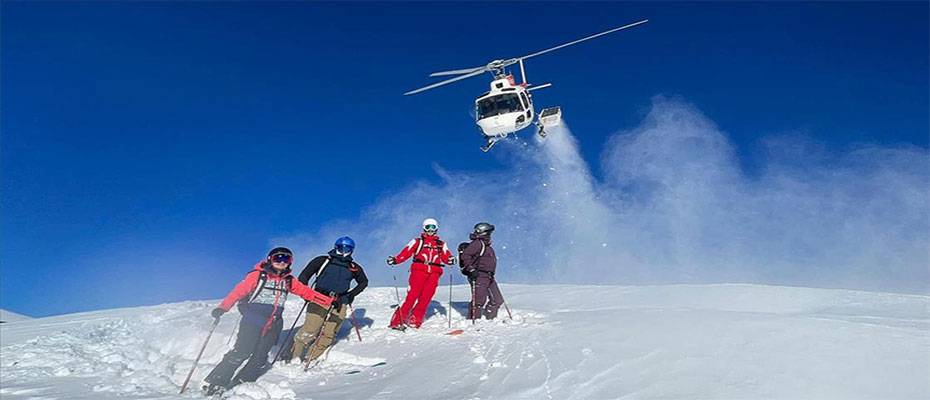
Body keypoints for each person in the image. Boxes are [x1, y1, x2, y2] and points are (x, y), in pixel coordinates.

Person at [202, 247, 333, 396]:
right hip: (252, 320)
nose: (282, 262)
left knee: (261, 356)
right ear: (270, 259)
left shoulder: (289, 281)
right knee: (242, 351)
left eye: (286, 259)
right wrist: (223, 308)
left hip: (274, 323)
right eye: (278, 258)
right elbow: (239, 291)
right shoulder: (258, 276)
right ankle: (217, 382)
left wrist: (328, 301)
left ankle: (243, 382)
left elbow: (306, 292)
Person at [290, 236, 368, 363]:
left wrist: (351, 295)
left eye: (347, 248)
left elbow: (363, 282)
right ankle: (294, 356)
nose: (343, 251)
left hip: (340, 301)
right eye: (340, 248)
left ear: (351, 250)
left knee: (329, 333)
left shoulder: (353, 267)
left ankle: (311, 358)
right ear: (335, 247)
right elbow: (305, 275)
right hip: (319, 298)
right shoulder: (323, 260)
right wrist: (306, 292)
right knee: (310, 329)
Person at [386, 218, 455, 329]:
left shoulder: (441, 244)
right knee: (412, 295)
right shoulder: (418, 242)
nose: (430, 230)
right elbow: (406, 252)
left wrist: (451, 259)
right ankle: (397, 321)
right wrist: (396, 259)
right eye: (428, 227)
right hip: (419, 271)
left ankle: (415, 319)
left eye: (433, 227)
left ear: (436, 228)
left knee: (426, 298)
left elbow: (446, 256)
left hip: (434, 273)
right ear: (424, 228)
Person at [460, 222, 502, 320]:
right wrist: (471, 269)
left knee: (497, 299)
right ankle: (473, 320)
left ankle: (490, 319)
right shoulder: (478, 243)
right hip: (479, 275)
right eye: (489, 232)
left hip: (489, 276)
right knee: (478, 300)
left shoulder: (487, 246)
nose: (490, 235)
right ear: (484, 232)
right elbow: (465, 256)